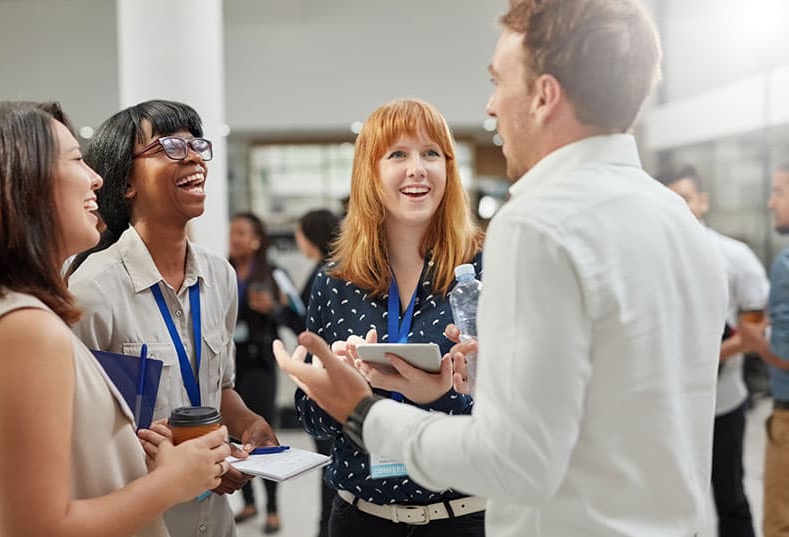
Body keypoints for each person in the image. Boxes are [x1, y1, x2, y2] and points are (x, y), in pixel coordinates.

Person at [274, 1, 730, 536]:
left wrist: (365, 414)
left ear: (543, 95)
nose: (491, 106)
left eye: (498, 80)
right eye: (397, 156)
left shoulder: (538, 226)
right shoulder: (678, 221)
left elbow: (516, 460)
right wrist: (459, 387)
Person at [0, 101, 233, 537]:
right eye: (77, 160)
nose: (95, 178)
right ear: (20, 185)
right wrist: (172, 480)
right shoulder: (24, 329)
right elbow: (36, 528)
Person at [67, 99, 278, 537]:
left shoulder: (219, 275)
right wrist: (184, 464)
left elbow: (218, 391)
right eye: (171, 147)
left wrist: (248, 423)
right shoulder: (92, 290)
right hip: (143, 521)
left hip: (215, 523)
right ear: (126, 181)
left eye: (197, 144)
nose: (195, 156)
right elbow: (78, 437)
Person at [295, 98, 485, 537]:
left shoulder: (485, 271)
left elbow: (516, 410)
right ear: (370, 172)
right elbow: (311, 417)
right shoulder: (335, 281)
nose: (416, 168)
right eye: (397, 154)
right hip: (360, 518)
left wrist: (441, 392)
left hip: (464, 517)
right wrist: (342, 386)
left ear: (449, 170)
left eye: (430, 153)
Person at [659, 164, 767, 537]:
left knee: (731, 496)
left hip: (723, 401)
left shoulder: (735, 256)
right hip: (665, 408)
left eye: (685, 198)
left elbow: (757, 329)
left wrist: (706, 357)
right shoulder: (650, 259)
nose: (679, 207)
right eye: (670, 200)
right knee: (671, 505)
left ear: (703, 201)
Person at [228, 212, 294, 534]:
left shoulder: (274, 273)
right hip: (230, 364)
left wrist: (273, 309)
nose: (234, 238)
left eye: (241, 233)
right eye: (232, 233)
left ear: (255, 239)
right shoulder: (221, 270)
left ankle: (273, 508)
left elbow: (296, 315)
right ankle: (249, 501)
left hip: (261, 366)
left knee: (262, 434)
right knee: (234, 435)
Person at [738, 163, 789, 537]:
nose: (771, 202)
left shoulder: (786, 263)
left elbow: (785, 355)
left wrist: (755, 340)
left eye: (779, 192)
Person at [291, 208, 341, 537]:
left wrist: (282, 310)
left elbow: (310, 329)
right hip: (320, 381)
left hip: (327, 380)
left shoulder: (328, 274)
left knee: (330, 464)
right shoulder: (326, 272)